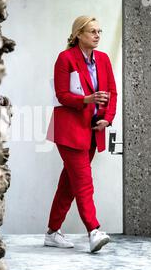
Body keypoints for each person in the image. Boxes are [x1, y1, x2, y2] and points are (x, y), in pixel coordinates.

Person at [45, 16, 117, 253]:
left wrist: (108, 119)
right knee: (84, 181)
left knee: (69, 183)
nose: (97, 35)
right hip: (69, 131)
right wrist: (86, 99)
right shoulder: (65, 58)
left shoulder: (104, 59)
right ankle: (94, 230)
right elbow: (62, 94)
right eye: (92, 31)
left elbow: (113, 93)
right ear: (78, 34)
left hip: (93, 131)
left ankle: (52, 232)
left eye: (100, 31)